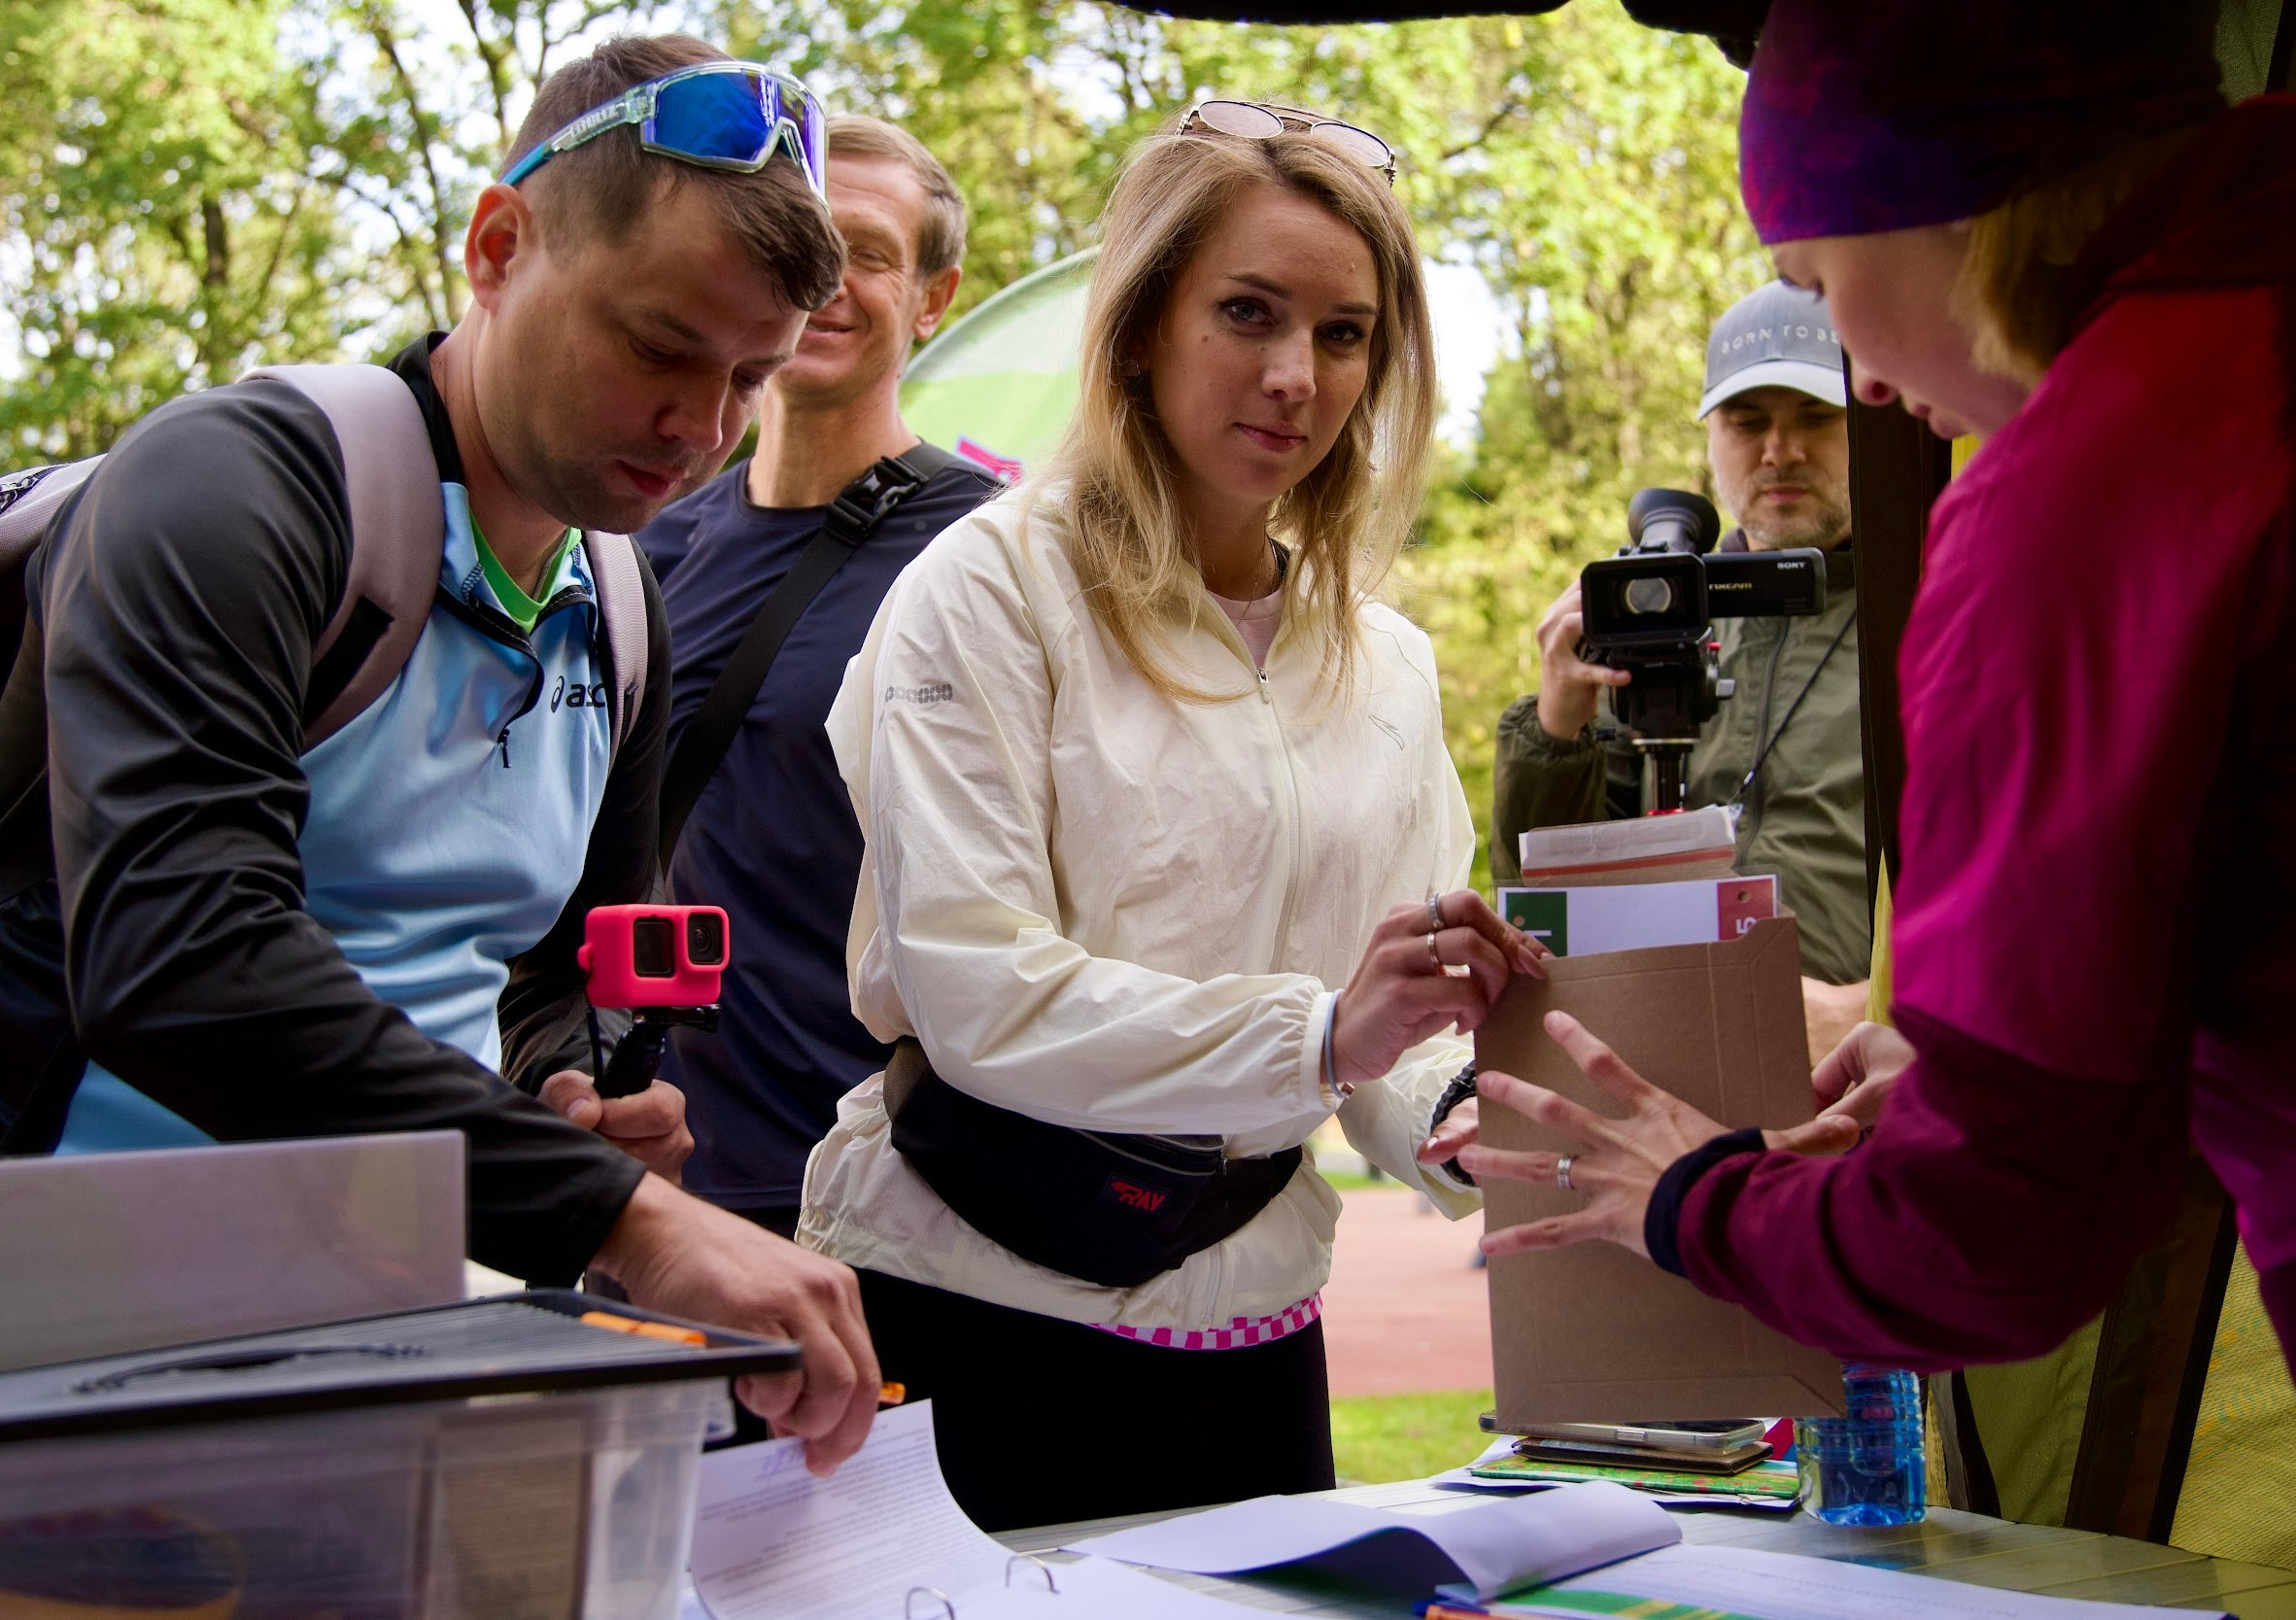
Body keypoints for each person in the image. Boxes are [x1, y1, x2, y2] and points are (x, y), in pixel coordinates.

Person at [0, 35, 883, 1470]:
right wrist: (624, 1216)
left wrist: (573, 1096)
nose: (702, 426)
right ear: (497, 246)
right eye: (661, 344)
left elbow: (550, 961)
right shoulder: (237, 483)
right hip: (49, 1337)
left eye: (752, 375)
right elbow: (180, 956)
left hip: (395, 1341)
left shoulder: (622, 605)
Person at [1451, 0, 2296, 1380]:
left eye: (1817, 274)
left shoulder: (2082, 491)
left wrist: (1695, 1195)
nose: (1866, 373)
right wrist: (2016, 1072)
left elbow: (1993, 1237)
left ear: (1937, 204)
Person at [802, 100, 1547, 1529]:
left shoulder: (1382, 658)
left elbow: (1392, 1012)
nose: (1295, 377)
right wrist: (1322, 1035)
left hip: (1255, 1319)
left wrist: (1451, 1114)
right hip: (973, 1297)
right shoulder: (986, 591)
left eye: (1344, 333)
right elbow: (975, 988)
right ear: (1142, 324)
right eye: (1248, 313)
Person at [635, 116, 996, 1241]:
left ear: (933, 299)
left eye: (868, 253)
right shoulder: (638, 543)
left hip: (900, 1199)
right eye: (793, 241)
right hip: (662, 1185)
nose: (822, 280)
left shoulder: (996, 557)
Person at [1491, 282, 1869, 1054]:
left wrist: (1875, 1010)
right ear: (1710, 440)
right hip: (1672, 1062)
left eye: (1816, 418)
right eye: (1747, 421)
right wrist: (1558, 721)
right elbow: (1540, 909)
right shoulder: (1656, 617)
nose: (1780, 451)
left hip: (1869, 1080)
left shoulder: (1937, 602)